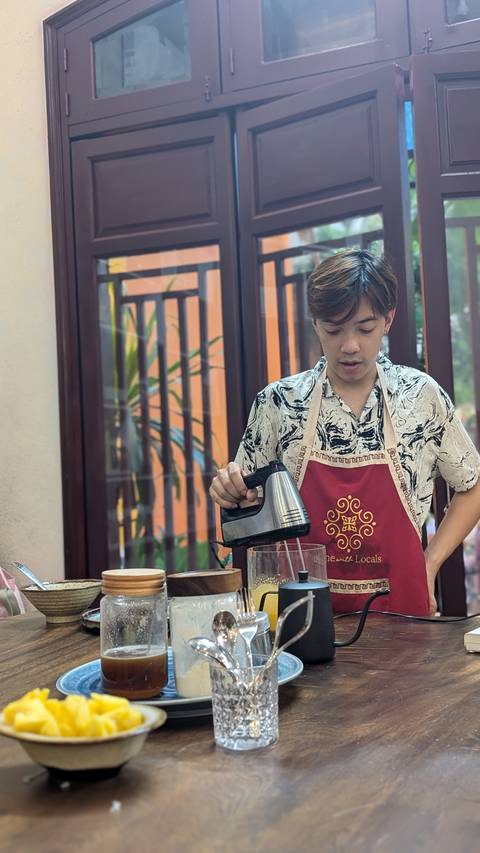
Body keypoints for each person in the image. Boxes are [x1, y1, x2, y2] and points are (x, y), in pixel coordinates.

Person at [209, 249, 480, 616]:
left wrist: (428, 563)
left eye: (365, 329)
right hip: (301, 616)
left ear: (388, 319)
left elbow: (473, 486)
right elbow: (247, 503)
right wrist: (228, 489)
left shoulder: (421, 397)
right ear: (315, 323)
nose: (349, 345)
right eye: (334, 329)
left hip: (404, 617)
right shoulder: (279, 403)